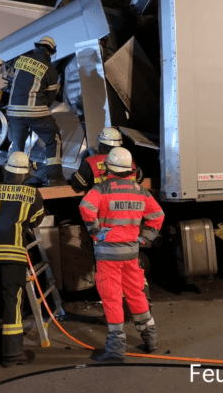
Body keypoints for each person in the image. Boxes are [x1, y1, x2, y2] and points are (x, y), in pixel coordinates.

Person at [79, 147, 165, 363]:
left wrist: (96, 231)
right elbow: (157, 215)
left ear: (109, 168)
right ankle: (150, 338)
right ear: (129, 170)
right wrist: (144, 238)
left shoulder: (102, 189)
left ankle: (116, 350)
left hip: (108, 255)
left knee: (112, 297)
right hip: (131, 254)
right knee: (136, 293)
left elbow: (85, 207)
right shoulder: (140, 191)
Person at [0, 152, 46, 367]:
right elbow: (36, 221)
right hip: (13, 254)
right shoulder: (32, 193)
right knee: (12, 300)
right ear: (26, 173)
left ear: (5, 170)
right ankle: (12, 353)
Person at [6, 36, 65, 186]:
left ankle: (12, 178)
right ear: (51, 52)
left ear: (36, 47)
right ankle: (55, 177)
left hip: (13, 111)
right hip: (36, 112)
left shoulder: (20, 60)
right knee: (53, 139)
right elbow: (50, 100)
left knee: (17, 144)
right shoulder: (51, 70)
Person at [70, 127, 143, 193]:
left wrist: (73, 175)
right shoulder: (130, 161)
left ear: (101, 143)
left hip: (101, 204)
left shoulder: (90, 162)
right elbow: (140, 179)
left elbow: (78, 185)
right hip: (128, 204)